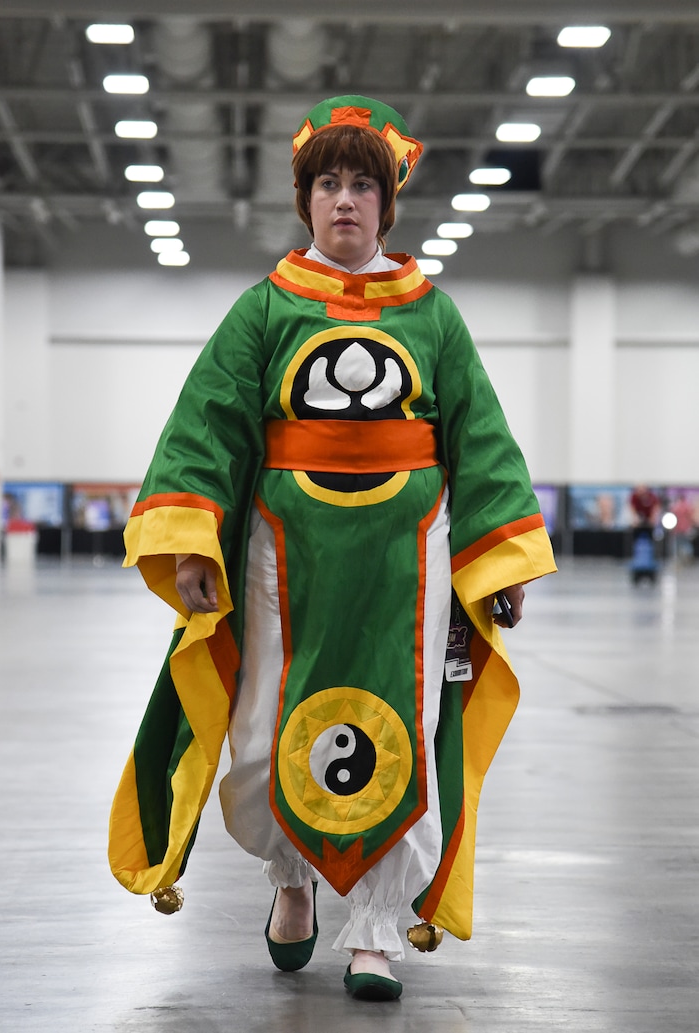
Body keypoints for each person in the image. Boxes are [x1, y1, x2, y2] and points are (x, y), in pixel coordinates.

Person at [108, 95, 556, 1001]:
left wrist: (498, 563)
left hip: (410, 558)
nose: (344, 200)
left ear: (387, 202)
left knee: (407, 730)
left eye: (362, 183)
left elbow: (482, 442)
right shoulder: (264, 308)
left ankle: (378, 928)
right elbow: (208, 426)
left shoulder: (434, 316)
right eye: (327, 184)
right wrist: (195, 542)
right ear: (305, 200)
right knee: (261, 728)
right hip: (285, 553)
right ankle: (289, 882)